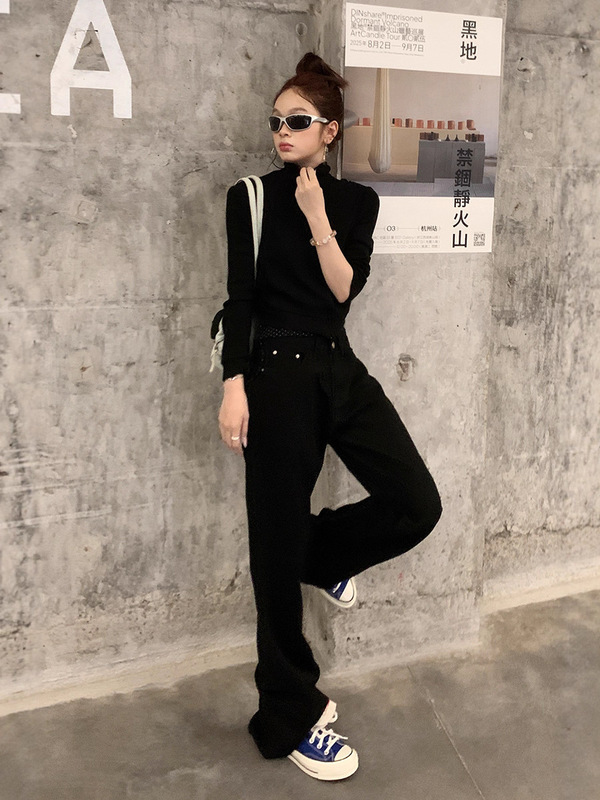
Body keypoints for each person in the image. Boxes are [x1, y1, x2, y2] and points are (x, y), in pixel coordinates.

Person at [217, 52, 442, 781]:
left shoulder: (356, 203)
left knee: (416, 502)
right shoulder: (249, 196)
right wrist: (233, 384)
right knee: (273, 551)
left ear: (329, 131)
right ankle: (288, 716)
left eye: (297, 120)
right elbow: (241, 299)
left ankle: (319, 556)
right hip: (272, 376)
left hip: (338, 366)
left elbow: (343, 290)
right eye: (276, 121)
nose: (282, 130)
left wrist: (317, 217)